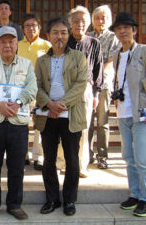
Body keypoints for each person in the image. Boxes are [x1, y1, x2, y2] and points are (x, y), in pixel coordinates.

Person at [0, 26, 37, 221]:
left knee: (17, 167)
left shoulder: (27, 65)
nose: (7, 45)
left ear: (16, 44)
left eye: (11, 41)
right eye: (3, 42)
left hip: (18, 124)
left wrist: (18, 103)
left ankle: (14, 205)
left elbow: (32, 89)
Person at [109, 12, 146, 217]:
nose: (122, 31)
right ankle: (134, 194)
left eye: (127, 27)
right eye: (119, 28)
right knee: (129, 157)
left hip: (143, 112)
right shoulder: (116, 54)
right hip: (123, 112)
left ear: (134, 30)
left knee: (142, 158)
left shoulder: (145, 51)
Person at [34, 17, 87, 216]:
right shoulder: (41, 60)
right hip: (48, 116)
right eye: (55, 32)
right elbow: (36, 86)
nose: (60, 36)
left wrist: (61, 104)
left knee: (72, 160)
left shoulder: (78, 57)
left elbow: (81, 84)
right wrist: (49, 104)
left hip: (71, 115)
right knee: (48, 159)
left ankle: (69, 200)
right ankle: (52, 199)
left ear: (69, 34)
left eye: (64, 32)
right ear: (48, 36)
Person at [66, 5, 103, 177]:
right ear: (70, 23)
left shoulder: (94, 43)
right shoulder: (64, 41)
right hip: (65, 88)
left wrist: (95, 93)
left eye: (83, 21)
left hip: (85, 89)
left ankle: (81, 165)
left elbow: (98, 70)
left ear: (88, 23)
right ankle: (64, 162)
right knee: (64, 126)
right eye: (76, 21)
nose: (79, 24)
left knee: (83, 128)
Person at [87, 5, 121, 169]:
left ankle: (102, 155)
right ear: (93, 20)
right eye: (97, 17)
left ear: (109, 20)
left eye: (104, 17)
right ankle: (87, 154)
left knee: (102, 122)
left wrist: (97, 78)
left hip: (104, 84)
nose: (101, 20)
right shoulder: (88, 36)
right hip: (88, 85)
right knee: (87, 121)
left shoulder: (114, 38)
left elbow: (111, 61)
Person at [18, 13, 51, 171]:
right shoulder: (17, 45)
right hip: (22, 90)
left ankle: (38, 157)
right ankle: (22, 154)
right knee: (22, 123)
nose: (31, 28)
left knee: (39, 124)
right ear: (23, 29)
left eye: (34, 25)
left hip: (40, 90)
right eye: (27, 25)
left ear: (39, 28)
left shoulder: (46, 45)